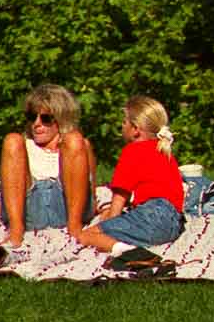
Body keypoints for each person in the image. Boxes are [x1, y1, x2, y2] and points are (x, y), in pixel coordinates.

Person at [76, 95, 184, 266]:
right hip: (173, 224)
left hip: (152, 216)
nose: (121, 126)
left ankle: (130, 253)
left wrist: (109, 221)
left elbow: (120, 196)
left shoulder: (132, 152)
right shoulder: (164, 151)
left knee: (85, 236)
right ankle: (132, 246)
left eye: (124, 122)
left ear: (135, 129)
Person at [0, 84, 97, 250]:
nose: (37, 124)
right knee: (12, 140)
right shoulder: (21, 146)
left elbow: (91, 195)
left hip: (69, 209)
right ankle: (16, 232)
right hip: (30, 211)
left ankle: (74, 228)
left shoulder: (78, 146)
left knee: (75, 140)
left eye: (45, 118)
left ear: (61, 118)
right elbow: (3, 197)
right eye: (31, 117)